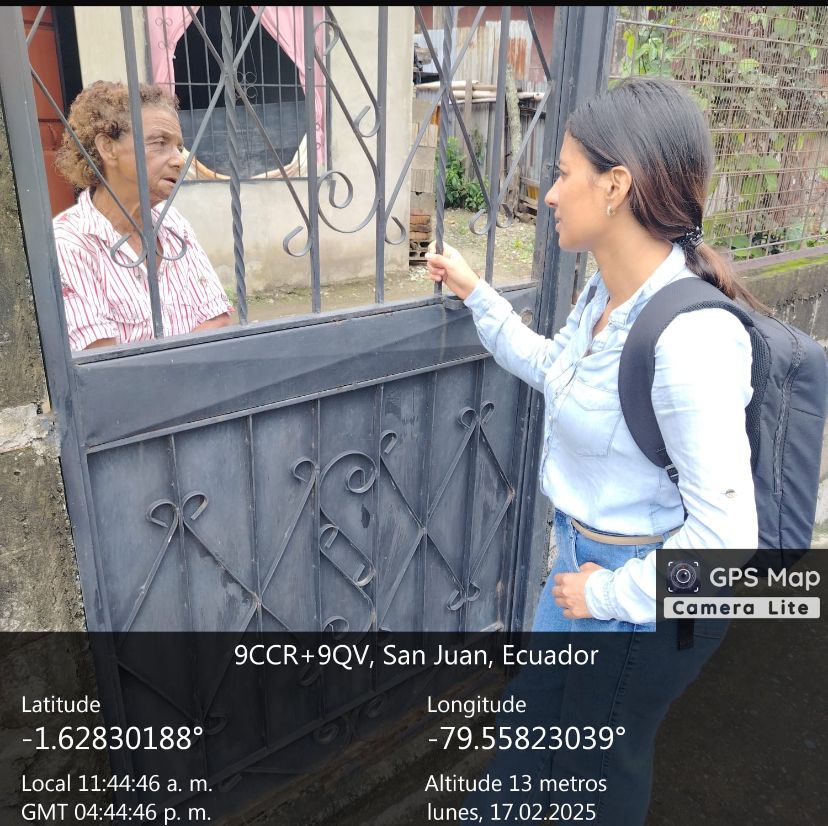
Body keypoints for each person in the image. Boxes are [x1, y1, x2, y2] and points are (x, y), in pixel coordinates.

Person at [425, 76, 760, 823]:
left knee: (595, 770)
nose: (549, 193)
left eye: (563, 172)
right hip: (578, 564)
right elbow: (558, 371)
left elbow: (726, 541)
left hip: (635, 593)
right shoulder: (603, 295)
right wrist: (479, 295)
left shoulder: (693, 339)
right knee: (531, 732)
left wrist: (604, 596)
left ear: (616, 186)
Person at [53, 81, 234, 351]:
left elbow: (218, 319)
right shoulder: (69, 243)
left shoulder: (172, 223)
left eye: (178, 147)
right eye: (160, 143)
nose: (180, 160)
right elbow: (103, 360)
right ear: (108, 148)